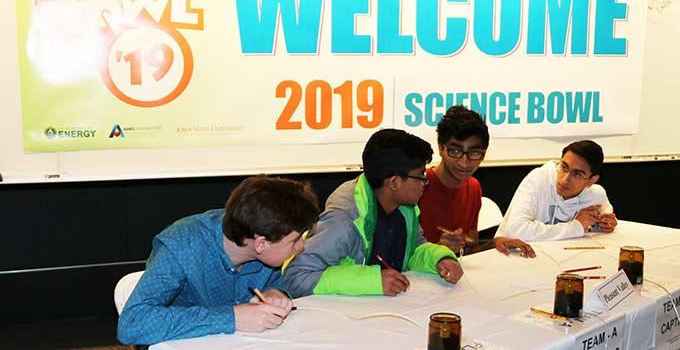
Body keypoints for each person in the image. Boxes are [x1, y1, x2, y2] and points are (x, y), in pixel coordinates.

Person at [117, 176, 320, 345]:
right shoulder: (182, 245)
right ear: (261, 244)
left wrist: (275, 292)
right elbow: (133, 325)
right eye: (295, 241)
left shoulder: (262, 232)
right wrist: (232, 318)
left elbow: (274, 283)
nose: (300, 247)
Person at [283, 129, 463, 299]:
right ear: (394, 182)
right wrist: (372, 281)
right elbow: (296, 277)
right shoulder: (343, 220)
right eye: (421, 176)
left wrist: (440, 259)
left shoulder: (404, 207)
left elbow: (414, 248)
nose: (425, 182)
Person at [419, 105, 535, 258]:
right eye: (455, 151)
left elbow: (468, 253)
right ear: (441, 148)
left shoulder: (473, 187)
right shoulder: (418, 185)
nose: (464, 162)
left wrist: (495, 243)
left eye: (474, 152)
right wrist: (437, 250)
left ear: (483, 154)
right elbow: (399, 259)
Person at [495, 140, 617, 241]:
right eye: (564, 167)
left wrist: (606, 224)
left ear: (591, 180)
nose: (565, 179)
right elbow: (515, 230)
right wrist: (576, 227)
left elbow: (607, 218)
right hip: (512, 256)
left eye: (577, 174)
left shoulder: (596, 195)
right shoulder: (538, 179)